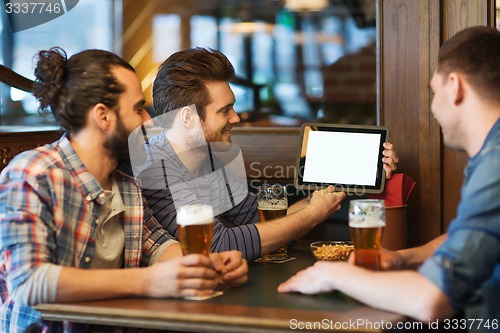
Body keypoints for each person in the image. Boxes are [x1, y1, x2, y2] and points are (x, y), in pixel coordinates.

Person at [0, 47, 248, 333]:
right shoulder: (34, 174)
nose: (148, 121)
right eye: (138, 108)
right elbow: (29, 282)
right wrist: (150, 281)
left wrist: (208, 267)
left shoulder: (125, 181)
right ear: (103, 116)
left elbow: (157, 244)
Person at [278, 26, 500, 330]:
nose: (434, 108)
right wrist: (404, 258)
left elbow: (431, 299)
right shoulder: (490, 153)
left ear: (455, 86)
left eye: (434, 92)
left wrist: (332, 274)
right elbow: (474, 238)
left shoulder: (495, 164)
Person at [135, 47, 398, 261]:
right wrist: (313, 214)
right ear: (188, 118)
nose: (236, 118)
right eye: (224, 110)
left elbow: (262, 221)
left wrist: (358, 175)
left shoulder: (209, 158)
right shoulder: (155, 168)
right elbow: (217, 246)